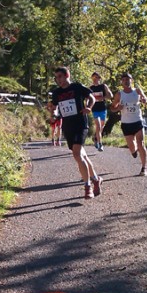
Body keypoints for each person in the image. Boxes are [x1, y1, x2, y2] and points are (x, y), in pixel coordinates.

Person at [47, 66, 102, 199]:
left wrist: (88, 107)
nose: (58, 80)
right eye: (56, 77)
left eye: (60, 76)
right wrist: (52, 112)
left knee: (77, 155)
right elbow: (54, 108)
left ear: (67, 75)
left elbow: (92, 98)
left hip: (80, 124)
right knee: (82, 156)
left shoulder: (77, 87)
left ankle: (87, 187)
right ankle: (95, 179)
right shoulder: (56, 93)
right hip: (67, 126)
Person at [110, 73, 147, 176]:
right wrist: (117, 108)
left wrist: (145, 100)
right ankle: (134, 150)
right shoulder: (119, 94)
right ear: (121, 82)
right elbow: (112, 107)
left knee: (141, 143)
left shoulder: (137, 91)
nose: (126, 81)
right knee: (132, 146)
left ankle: (144, 168)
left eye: (128, 79)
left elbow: (146, 98)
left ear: (132, 80)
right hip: (126, 123)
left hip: (138, 121)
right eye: (124, 80)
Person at [89, 71, 113, 152]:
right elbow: (87, 99)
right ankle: (100, 144)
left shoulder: (103, 86)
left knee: (101, 127)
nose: (95, 79)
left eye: (97, 77)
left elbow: (110, 96)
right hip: (95, 109)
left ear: (99, 78)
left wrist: (102, 98)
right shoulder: (90, 88)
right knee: (98, 127)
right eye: (93, 77)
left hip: (103, 109)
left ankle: (96, 138)